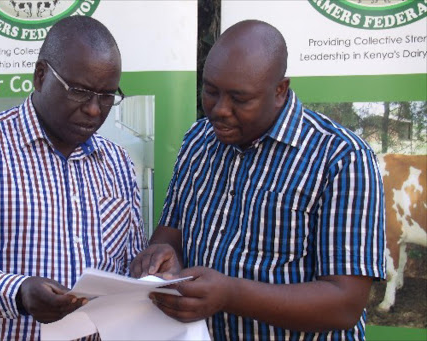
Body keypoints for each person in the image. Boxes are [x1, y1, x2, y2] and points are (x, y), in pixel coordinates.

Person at [130, 20, 385, 341]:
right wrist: (161, 255)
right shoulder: (197, 139)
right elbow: (172, 233)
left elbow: (345, 305)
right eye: (210, 91)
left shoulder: (341, 158)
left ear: (280, 90)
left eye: (239, 98)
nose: (219, 110)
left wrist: (230, 295)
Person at [0, 16, 147, 340]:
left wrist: (150, 274)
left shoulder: (118, 164)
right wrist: (17, 293)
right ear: (40, 76)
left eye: (107, 96)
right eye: (80, 92)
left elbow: (128, 270)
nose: (95, 110)